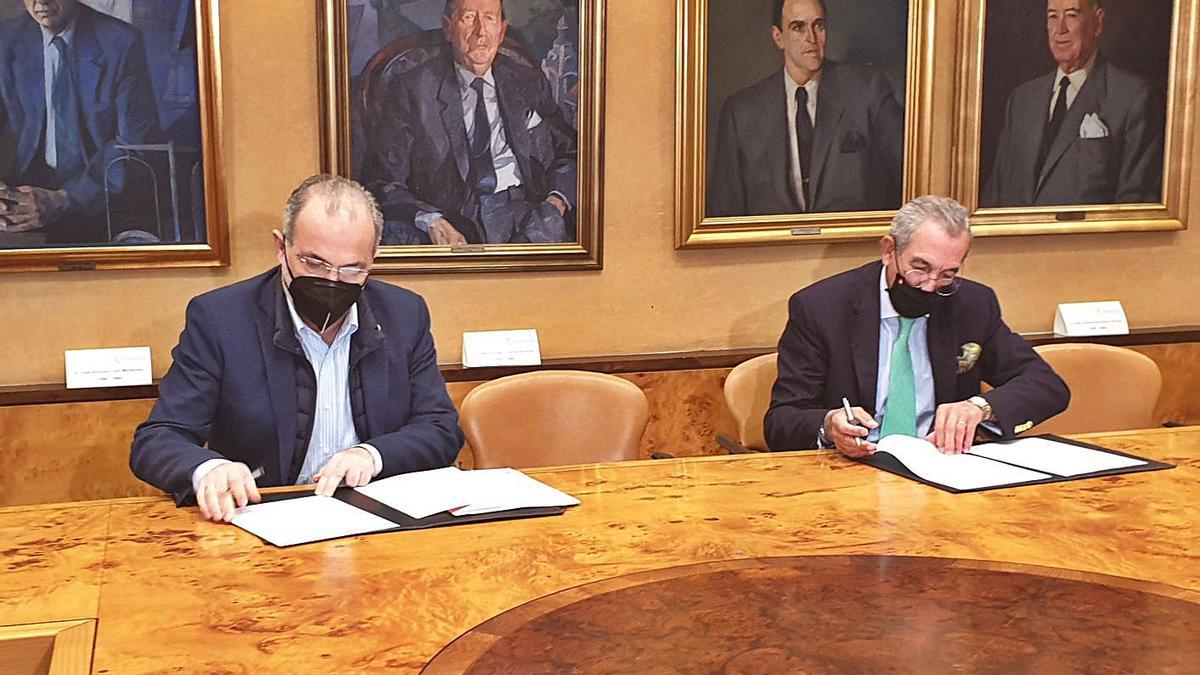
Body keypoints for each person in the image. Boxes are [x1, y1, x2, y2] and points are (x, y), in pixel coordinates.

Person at [131, 175, 464, 521]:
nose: (332, 281)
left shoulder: (404, 314)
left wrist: (372, 455)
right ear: (281, 247)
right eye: (314, 263)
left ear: (373, 258)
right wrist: (208, 468)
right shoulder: (221, 318)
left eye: (352, 269)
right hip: (266, 518)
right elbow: (158, 438)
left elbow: (440, 429)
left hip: (375, 516)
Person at [764, 195, 1069, 457]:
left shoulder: (972, 305)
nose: (929, 286)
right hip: (851, 473)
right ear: (889, 250)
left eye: (947, 274)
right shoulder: (822, 308)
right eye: (920, 269)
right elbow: (781, 420)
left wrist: (980, 407)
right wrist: (830, 425)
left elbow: (1047, 386)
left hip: (940, 466)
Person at [363, 0, 577, 245]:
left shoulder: (526, 81)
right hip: (455, 217)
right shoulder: (414, 89)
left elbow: (570, 152)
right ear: (448, 28)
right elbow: (382, 179)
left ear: (502, 30)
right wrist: (430, 219)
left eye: (489, 18)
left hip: (529, 212)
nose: (481, 32)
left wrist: (556, 202)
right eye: (468, 18)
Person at [707, 0, 904, 217]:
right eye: (798, 27)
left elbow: (907, 181)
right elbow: (723, 212)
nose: (811, 38)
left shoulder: (867, 90)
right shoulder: (741, 112)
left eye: (818, 25)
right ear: (778, 37)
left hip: (852, 244)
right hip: (770, 248)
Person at [0, 0, 161, 244]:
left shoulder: (120, 42)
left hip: (101, 200)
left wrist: (66, 200)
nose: (41, 1)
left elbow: (134, 145)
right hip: (23, 200)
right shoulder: (6, 39)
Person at [981, 0, 1162, 207]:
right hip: (1017, 239)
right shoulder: (1022, 100)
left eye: (1072, 15)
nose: (1061, 29)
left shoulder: (1133, 97)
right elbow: (995, 195)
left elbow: (1135, 206)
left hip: (1088, 240)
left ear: (1097, 23)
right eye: (1053, 17)